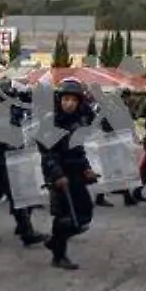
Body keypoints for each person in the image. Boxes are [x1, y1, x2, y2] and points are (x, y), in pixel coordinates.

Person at [0, 78, 46, 246]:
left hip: (1, 155)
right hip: (3, 156)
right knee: (16, 193)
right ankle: (26, 232)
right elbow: (3, 135)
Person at [38, 78, 97, 270]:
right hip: (59, 175)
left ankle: (55, 241)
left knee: (85, 213)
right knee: (64, 215)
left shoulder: (78, 121)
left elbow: (78, 150)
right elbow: (48, 153)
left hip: (76, 173)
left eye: (73, 100)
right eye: (65, 99)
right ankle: (59, 255)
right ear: (59, 100)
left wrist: (86, 168)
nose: (69, 103)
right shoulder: (51, 122)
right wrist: (57, 175)